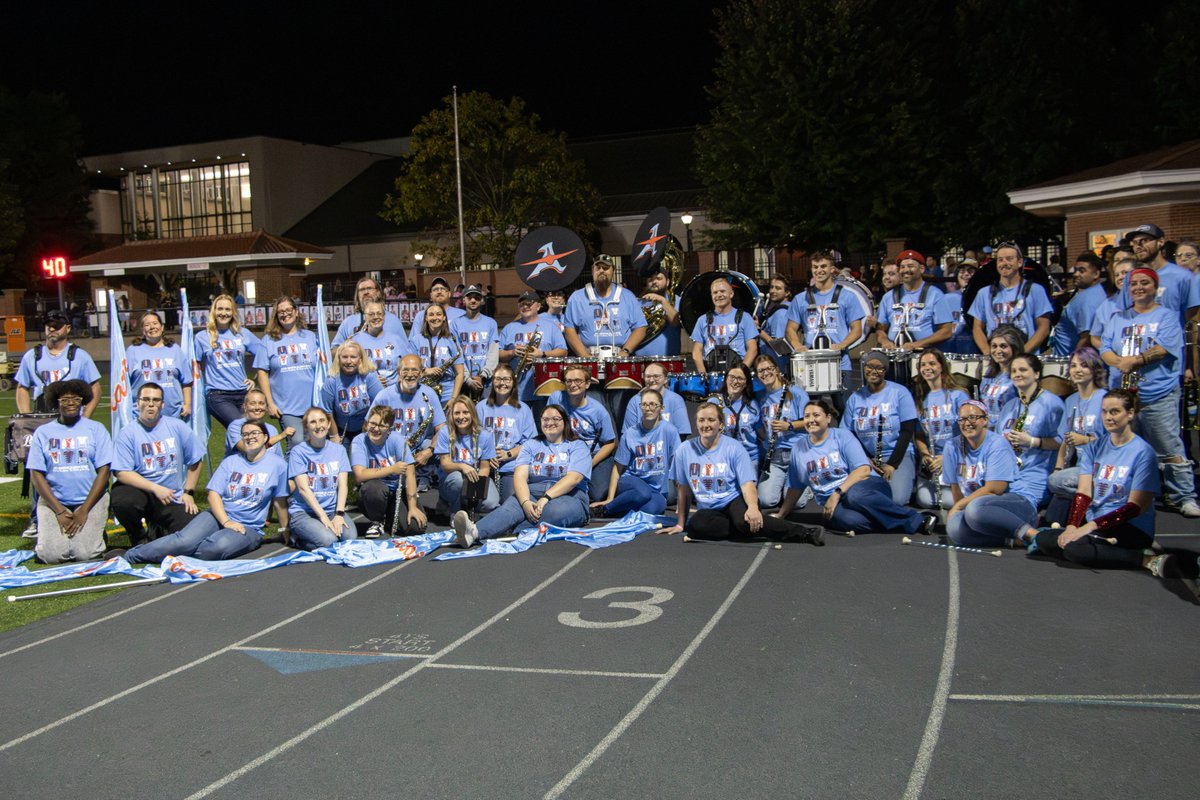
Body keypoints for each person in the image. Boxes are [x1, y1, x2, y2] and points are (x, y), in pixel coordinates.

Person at [1027, 390, 1166, 573]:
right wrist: (1072, 527)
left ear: (1130, 414)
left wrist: (1088, 528)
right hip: (1095, 523)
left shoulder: (1143, 453)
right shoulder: (1094, 446)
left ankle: (1145, 560)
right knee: (1044, 539)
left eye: (1115, 412)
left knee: (1075, 549)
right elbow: (1084, 492)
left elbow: (1135, 507)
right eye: (1104, 411)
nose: (1108, 417)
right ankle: (1094, 547)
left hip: (1129, 525)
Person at [1100, 267, 1200, 517]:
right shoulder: (1118, 318)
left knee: (1168, 448)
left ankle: (1183, 497)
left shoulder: (1167, 317)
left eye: (1145, 283)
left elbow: (1164, 348)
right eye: (1134, 284)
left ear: (1155, 288)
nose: (1138, 287)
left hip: (1157, 394)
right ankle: (1129, 497)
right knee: (1125, 449)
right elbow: (1105, 348)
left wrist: (1135, 361)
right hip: (1124, 399)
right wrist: (1120, 362)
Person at [125, 419, 289, 564]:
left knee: (215, 548)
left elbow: (280, 501)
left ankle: (178, 556)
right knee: (183, 541)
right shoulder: (231, 462)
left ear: (265, 437)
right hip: (217, 516)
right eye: (245, 434)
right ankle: (131, 555)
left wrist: (284, 530)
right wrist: (226, 522)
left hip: (248, 526)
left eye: (254, 433)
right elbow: (213, 494)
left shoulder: (278, 465)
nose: (250, 437)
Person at [666, 401, 824, 543]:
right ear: (696, 423)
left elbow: (747, 484)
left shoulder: (734, 447)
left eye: (711, 420)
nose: (706, 424)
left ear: (721, 424)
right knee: (696, 525)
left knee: (745, 521)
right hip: (710, 508)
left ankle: (804, 533)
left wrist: (753, 508)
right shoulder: (684, 450)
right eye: (701, 420)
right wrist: (680, 524)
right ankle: (742, 527)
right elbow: (684, 489)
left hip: (734, 499)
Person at [450, 404, 592, 547]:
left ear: (565, 422)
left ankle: (510, 530)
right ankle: (473, 532)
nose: (550, 423)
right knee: (509, 509)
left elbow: (573, 479)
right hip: (534, 490)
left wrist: (545, 498)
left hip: (570, 495)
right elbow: (520, 476)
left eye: (556, 419)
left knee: (553, 512)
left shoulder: (578, 446)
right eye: (545, 419)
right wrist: (525, 502)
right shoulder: (531, 445)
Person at [26, 380, 113, 563]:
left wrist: (84, 510)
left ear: (83, 401)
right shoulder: (43, 432)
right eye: (65, 399)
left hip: (90, 500)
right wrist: (59, 511)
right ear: (56, 402)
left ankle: (94, 536)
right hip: (54, 501)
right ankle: (51, 538)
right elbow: (36, 475)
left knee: (84, 555)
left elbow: (104, 472)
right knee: (51, 556)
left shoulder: (96, 429)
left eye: (76, 399)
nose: (71, 403)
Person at [110, 382, 203, 547]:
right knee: (123, 501)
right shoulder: (127, 433)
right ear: (137, 403)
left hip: (170, 495)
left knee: (194, 533)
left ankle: (158, 528)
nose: (151, 404)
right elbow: (122, 472)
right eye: (146, 399)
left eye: (156, 400)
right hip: (141, 492)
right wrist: (155, 488)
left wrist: (188, 492)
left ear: (163, 404)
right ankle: (138, 535)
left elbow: (195, 459)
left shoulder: (177, 427)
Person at [842, 351, 920, 506]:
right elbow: (848, 433)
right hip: (867, 458)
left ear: (885, 371)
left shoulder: (900, 392)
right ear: (864, 367)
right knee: (857, 495)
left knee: (897, 499)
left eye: (879, 368)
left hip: (897, 454)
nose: (874, 371)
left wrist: (892, 464)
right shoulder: (855, 398)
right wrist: (864, 458)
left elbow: (907, 431)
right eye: (870, 366)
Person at [941, 400, 1023, 548]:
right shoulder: (951, 446)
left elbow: (995, 489)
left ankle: (1030, 533)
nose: (967, 423)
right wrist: (958, 513)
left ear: (985, 420)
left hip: (1011, 504)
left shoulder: (998, 444)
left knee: (974, 509)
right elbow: (956, 488)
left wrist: (958, 506)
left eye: (973, 418)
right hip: (978, 507)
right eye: (962, 419)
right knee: (954, 528)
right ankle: (1011, 541)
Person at [591, 388, 679, 518]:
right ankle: (605, 510)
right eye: (644, 404)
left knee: (651, 510)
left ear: (661, 408)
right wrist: (610, 498)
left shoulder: (670, 431)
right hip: (632, 481)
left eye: (653, 404)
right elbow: (618, 467)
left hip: (657, 489)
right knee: (642, 493)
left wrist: (682, 499)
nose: (648, 408)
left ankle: (623, 509)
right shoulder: (630, 433)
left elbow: (677, 465)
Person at [785, 250, 865, 392]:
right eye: (815, 267)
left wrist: (841, 345)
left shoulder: (848, 296)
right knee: (812, 405)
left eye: (823, 266)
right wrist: (797, 345)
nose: (819, 270)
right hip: (810, 361)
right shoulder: (800, 298)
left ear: (832, 269)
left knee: (843, 404)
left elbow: (857, 329)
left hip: (840, 363)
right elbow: (791, 328)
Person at [1045, 347, 1108, 525]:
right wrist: (1058, 469)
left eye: (1084, 365)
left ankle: (1098, 496)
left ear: (1095, 369)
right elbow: (1065, 440)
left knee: (1057, 483)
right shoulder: (1071, 400)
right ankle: (1091, 497)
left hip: (1101, 466)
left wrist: (1085, 440)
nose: (1077, 370)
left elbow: (1114, 442)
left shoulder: (1105, 398)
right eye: (1073, 366)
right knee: (1052, 518)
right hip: (1079, 467)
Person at [372, 354, 447, 492]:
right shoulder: (384, 395)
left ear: (421, 372)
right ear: (398, 372)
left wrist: (429, 451)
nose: (410, 374)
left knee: (445, 449)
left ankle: (443, 494)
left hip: (419, 445)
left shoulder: (429, 394)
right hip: (390, 447)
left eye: (414, 370)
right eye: (405, 370)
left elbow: (441, 428)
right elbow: (368, 427)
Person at [351, 405, 427, 538]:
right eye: (372, 423)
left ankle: (390, 518)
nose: (376, 429)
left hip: (397, 491)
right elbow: (359, 475)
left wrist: (412, 507)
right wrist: (391, 469)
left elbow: (410, 474)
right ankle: (377, 521)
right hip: (374, 493)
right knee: (373, 488)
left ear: (390, 429)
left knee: (416, 526)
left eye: (382, 426)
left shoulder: (398, 440)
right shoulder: (359, 441)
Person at [287, 407, 357, 550]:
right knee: (329, 541)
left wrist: (339, 514)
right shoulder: (298, 452)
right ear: (306, 427)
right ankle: (297, 538)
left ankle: (316, 534)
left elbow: (343, 486)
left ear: (329, 423)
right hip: (304, 512)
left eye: (322, 420)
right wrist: (323, 518)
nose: (318, 426)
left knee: (350, 539)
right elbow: (303, 489)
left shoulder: (339, 450)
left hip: (331, 510)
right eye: (313, 422)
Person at [194, 293, 267, 430]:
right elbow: (194, 364)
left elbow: (264, 354)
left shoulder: (243, 333)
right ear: (214, 311)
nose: (223, 313)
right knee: (241, 427)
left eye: (227, 309)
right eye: (220, 309)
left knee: (249, 432)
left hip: (243, 393)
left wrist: (256, 379)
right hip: (218, 395)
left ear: (233, 312)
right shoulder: (202, 337)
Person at [547, 363, 617, 503]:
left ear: (587, 384)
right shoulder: (556, 398)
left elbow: (610, 443)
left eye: (578, 381)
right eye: (569, 381)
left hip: (592, 454)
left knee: (598, 494)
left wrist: (590, 463)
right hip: (565, 453)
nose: (573, 385)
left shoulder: (598, 411)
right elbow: (548, 427)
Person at [257, 296, 320, 447]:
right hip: (286, 406)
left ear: (296, 312)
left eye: (288, 310)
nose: (285, 314)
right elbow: (262, 372)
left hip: (312, 403)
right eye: (281, 312)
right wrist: (270, 403)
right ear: (276, 316)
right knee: (297, 441)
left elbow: (322, 366)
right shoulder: (268, 340)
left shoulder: (311, 337)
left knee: (314, 444)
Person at [911, 349, 970, 510]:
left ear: (942, 366)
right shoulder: (920, 398)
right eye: (923, 365)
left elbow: (969, 433)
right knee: (924, 500)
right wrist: (925, 454)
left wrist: (946, 457)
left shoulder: (958, 395)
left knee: (951, 501)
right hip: (933, 460)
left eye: (932, 363)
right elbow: (919, 434)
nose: (927, 368)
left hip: (957, 455)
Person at [968, 242, 1054, 353]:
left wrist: (1022, 354)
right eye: (1000, 260)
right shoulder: (984, 293)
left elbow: (1044, 328)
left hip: (1025, 358)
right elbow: (977, 328)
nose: (1004, 263)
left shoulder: (1036, 290)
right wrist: (988, 353)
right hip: (996, 359)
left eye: (1009, 259)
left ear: (1020, 262)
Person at [15, 310, 102, 417]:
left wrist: (85, 417)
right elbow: (22, 387)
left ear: (68, 328)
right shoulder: (31, 356)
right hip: (41, 418)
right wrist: (26, 417)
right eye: (49, 326)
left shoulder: (80, 356)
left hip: (71, 420)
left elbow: (95, 388)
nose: (52, 329)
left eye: (57, 326)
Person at [563, 256, 647, 359]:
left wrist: (625, 351)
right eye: (598, 268)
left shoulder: (628, 296)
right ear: (592, 271)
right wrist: (584, 355)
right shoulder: (577, 297)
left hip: (620, 356)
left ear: (613, 271)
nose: (601, 270)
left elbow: (640, 327)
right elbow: (569, 329)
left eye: (606, 268)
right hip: (589, 356)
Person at [754, 354, 810, 508]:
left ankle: (807, 483)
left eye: (769, 368)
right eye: (761, 371)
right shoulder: (761, 399)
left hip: (797, 453)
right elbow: (760, 427)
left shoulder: (795, 392)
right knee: (765, 500)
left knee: (797, 503)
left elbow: (811, 422)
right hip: (775, 456)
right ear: (757, 376)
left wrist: (789, 426)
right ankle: (785, 484)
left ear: (777, 370)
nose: (766, 373)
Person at [478, 364, 537, 504]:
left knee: (510, 503)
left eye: (506, 379)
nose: (502, 383)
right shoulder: (481, 407)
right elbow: (472, 438)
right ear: (492, 381)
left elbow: (530, 443)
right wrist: (487, 454)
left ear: (513, 382)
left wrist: (507, 454)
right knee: (485, 503)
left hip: (511, 467)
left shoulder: (523, 409)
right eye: (498, 379)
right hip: (484, 465)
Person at [498, 290, 569, 404]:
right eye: (522, 304)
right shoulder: (509, 328)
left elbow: (563, 351)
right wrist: (512, 352)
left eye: (529, 304)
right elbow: (498, 354)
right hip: (517, 390)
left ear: (538, 306)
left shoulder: (550, 326)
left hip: (544, 387)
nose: (525, 307)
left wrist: (542, 354)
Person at [877, 249, 953, 352]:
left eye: (910, 266)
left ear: (921, 269)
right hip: (894, 354)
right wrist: (885, 341)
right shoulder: (888, 297)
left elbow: (946, 331)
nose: (905, 270)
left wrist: (916, 344)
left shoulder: (935, 294)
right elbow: (880, 329)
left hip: (924, 355)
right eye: (902, 267)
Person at [435, 396, 500, 516]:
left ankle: (468, 507)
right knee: (457, 480)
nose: (461, 417)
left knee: (491, 503)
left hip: (475, 476)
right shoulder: (445, 432)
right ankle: (456, 512)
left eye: (465, 412)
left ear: (472, 414)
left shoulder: (485, 435)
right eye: (457, 413)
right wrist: (462, 466)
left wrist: (476, 490)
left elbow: (485, 467)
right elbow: (445, 464)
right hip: (453, 477)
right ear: (451, 415)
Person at [319, 340, 384, 457]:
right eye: (345, 357)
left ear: (360, 359)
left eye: (353, 357)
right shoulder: (331, 380)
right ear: (338, 359)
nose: (349, 361)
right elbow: (326, 411)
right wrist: (334, 436)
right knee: (337, 457)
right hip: (340, 427)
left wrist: (370, 426)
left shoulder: (369, 375)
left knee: (366, 458)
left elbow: (379, 403)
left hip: (366, 425)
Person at [125, 310, 193, 420]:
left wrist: (187, 404)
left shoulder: (174, 349)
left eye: (155, 323)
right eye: (147, 325)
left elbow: (187, 381)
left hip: (173, 414)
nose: (152, 327)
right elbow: (124, 383)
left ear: (162, 327)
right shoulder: (132, 351)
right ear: (142, 330)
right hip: (141, 416)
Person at [690, 275, 760, 375]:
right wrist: (703, 375)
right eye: (715, 292)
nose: (719, 295)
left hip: (738, 373)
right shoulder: (702, 320)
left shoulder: (745, 317)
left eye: (722, 291)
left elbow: (753, 349)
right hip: (711, 374)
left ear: (731, 294)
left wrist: (741, 373)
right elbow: (697, 351)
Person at [1053, 252, 1108, 357]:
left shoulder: (1089, 299)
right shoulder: (1097, 292)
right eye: (1075, 270)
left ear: (1096, 274)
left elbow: (1086, 339)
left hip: (1067, 360)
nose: (1076, 274)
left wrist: (1074, 362)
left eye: (1082, 271)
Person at [1088, 257, 1136, 375]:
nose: (1120, 277)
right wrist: (1112, 354)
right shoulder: (1106, 306)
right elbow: (1095, 337)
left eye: (1124, 273)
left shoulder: (1149, 302)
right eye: (1117, 275)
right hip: (1116, 369)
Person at [409, 302, 464, 405]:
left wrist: (453, 398)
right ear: (426, 318)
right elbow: (410, 369)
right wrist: (426, 371)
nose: (435, 318)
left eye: (438, 314)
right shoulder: (415, 341)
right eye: (431, 314)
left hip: (448, 394)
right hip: (422, 391)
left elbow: (460, 373)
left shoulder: (451, 340)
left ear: (444, 317)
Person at [453, 285, 500, 400]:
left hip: (486, 381)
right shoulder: (455, 323)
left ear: (482, 300)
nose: (473, 300)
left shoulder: (491, 323)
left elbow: (493, 353)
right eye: (469, 297)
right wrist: (467, 379)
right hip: (463, 380)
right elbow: (456, 353)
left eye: (477, 297)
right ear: (464, 300)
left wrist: (483, 376)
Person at [352, 299, 413, 388]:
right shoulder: (356, 341)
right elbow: (349, 369)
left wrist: (402, 379)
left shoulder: (396, 340)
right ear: (365, 316)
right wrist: (371, 379)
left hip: (394, 391)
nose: (376, 317)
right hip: (366, 391)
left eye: (379, 313)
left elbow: (410, 364)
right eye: (371, 314)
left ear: (384, 316)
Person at [620, 361, 691, 436]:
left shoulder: (676, 400)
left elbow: (682, 433)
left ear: (666, 379)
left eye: (656, 376)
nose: (651, 380)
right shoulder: (634, 401)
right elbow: (628, 434)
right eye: (648, 376)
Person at [330, 276, 406, 347]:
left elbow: (405, 350)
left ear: (378, 292)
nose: (366, 292)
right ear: (357, 295)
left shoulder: (393, 320)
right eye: (362, 289)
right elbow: (333, 352)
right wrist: (348, 344)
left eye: (369, 288)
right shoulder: (348, 322)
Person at [712, 362, 761, 466]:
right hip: (722, 458)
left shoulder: (753, 405)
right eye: (732, 377)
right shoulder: (714, 402)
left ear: (746, 383)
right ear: (726, 379)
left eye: (740, 378)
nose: (735, 381)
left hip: (749, 458)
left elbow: (762, 434)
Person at [979, 325, 1025, 424]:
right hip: (987, 430)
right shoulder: (989, 373)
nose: (998, 351)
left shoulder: (1021, 375)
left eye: (1003, 346)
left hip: (1008, 429)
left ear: (1014, 349)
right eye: (994, 346)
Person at [224, 390, 289, 458]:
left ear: (266, 407)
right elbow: (248, 450)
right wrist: (280, 436)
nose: (257, 407)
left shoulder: (272, 429)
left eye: (261, 403)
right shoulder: (235, 426)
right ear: (245, 407)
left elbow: (278, 457)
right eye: (252, 404)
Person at [635, 266, 681, 358]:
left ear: (667, 282)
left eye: (659, 278)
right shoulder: (637, 302)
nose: (654, 282)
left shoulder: (677, 300)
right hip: (639, 359)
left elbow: (676, 322)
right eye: (650, 279)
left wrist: (662, 301)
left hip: (669, 359)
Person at [941, 259, 979, 354]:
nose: (966, 274)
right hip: (949, 352)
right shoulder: (946, 298)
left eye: (970, 271)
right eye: (962, 271)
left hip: (976, 352)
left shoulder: (983, 298)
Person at [756, 275, 793, 372]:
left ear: (787, 292)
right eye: (771, 287)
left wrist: (759, 331)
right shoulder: (785, 309)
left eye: (778, 288)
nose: (773, 291)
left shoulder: (781, 314)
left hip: (778, 367)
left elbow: (781, 347)